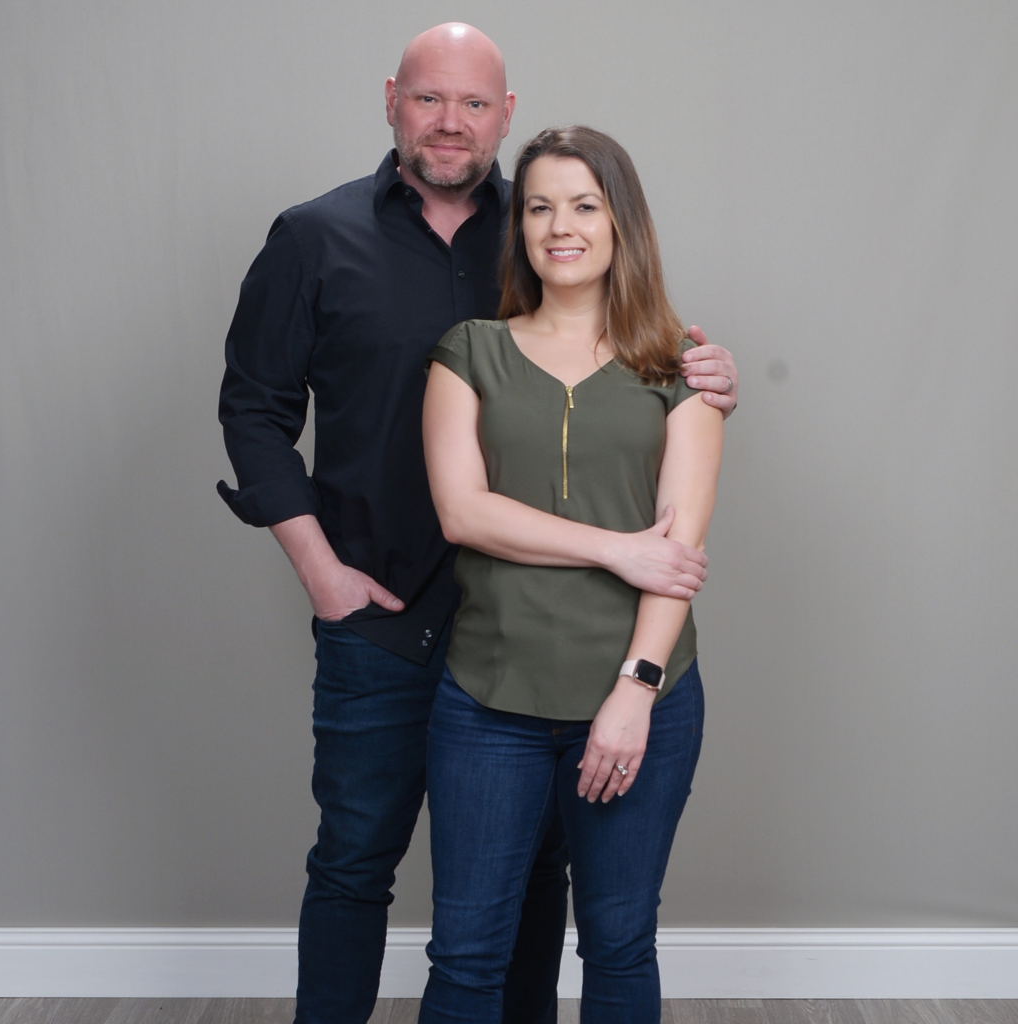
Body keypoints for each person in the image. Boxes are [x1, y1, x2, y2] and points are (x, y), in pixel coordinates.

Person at [217, 24, 739, 1024]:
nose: (448, 122)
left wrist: (698, 377)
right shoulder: (313, 237)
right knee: (358, 853)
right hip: (383, 611)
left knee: (540, 878)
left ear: (503, 115)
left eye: (471, 104)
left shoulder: (542, 222)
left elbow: (628, 361)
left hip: (543, 624)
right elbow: (253, 411)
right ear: (390, 102)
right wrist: (319, 568)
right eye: (427, 99)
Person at [420, 125, 723, 1024]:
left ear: (621, 223)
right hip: (488, 700)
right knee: (468, 955)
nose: (562, 226)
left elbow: (677, 556)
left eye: (585, 205)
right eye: (541, 206)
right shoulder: (466, 351)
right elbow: (462, 513)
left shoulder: (683, 370)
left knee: (619, 943)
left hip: (643, 702)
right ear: (520, 229)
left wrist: (635, 690)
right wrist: (613, 545)